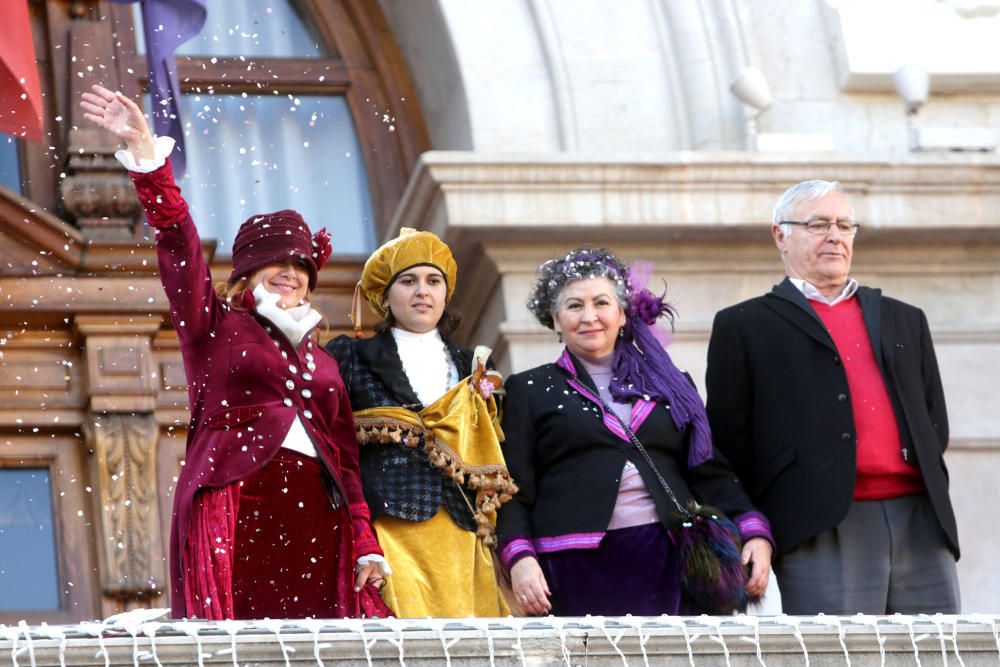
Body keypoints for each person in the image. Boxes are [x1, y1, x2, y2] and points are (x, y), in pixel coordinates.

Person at [80, 84, 390, 620]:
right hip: (237, 502)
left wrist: (365, 540)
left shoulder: (326, 361)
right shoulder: (215, 325)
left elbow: (346, 460)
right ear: (246, 273)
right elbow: (177, 243)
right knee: (239, 636)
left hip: (319, 519)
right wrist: (149, 162)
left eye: (301, 266)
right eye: (277, 263)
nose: (290, 273)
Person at [705, 180, 960, 615]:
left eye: (845, 225)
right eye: (818, 224)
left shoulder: (905, 319)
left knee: (940, 652)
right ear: (780, 235)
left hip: (921, 518)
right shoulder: (743, 326)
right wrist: (753, 528)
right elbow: (729, 445)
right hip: (821, 525)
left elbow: (933, 422)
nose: (835, 236)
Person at [496, 248, 773, 616]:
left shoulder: (671, 384)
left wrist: (753, 531)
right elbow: (513, 490)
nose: (589, 316)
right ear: (556, 320)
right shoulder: (528, 390)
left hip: (673, 561)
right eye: (574, 306)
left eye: (602, 303)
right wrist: (520, 558)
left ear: (622, 313)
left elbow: (709, 471)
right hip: (573, 567)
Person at [326, 229, 517, 617]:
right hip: (389, 529)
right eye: (408, 281)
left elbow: (494, 453)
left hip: (464, 531)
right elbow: (333, 447)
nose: (422, 292)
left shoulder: (473, 365)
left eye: (433, 281)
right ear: (386, 293)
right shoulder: (350, 355)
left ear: (445, 294)